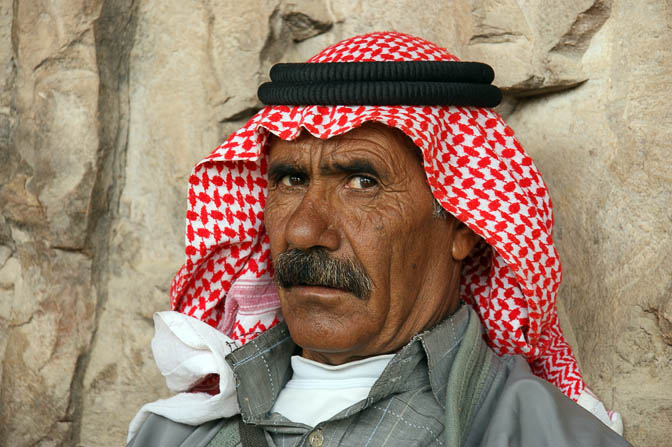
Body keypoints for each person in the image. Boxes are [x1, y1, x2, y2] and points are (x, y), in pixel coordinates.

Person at [128, 32, 630, 446]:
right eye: (289, 180)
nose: (303, 230)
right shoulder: (170, 433)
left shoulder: (539, 435)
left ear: (462, 227)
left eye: (362, 182)